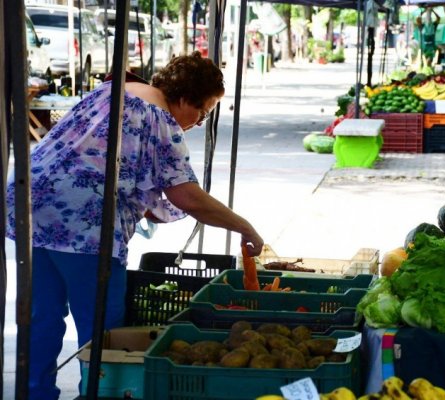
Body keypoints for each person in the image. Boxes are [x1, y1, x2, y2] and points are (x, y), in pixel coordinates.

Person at [5, 51, 264, 399]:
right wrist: (244, 226)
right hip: (86, 230)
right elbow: (188, 196)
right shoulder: (159, 120)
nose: (199, 123)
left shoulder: (112, 92)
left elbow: (111, 166)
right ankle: (98, 395)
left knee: (41, 318)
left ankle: (35, 394)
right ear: (185, 97)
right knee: (102, 333)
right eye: (202, 112)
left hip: (33, 210)